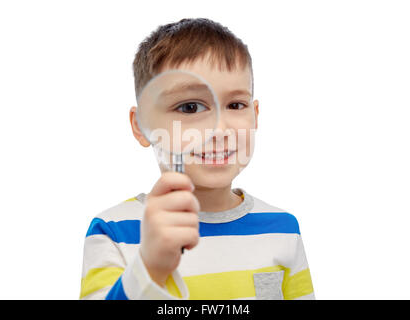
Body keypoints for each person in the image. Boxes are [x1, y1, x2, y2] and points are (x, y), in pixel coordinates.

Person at [79, 18, 314, 300]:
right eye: (190, 107)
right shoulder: (114, 231)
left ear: (256, 116)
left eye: (235, 105)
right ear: (141, 125)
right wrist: (149, 268)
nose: (219, 129)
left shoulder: (283, 228)